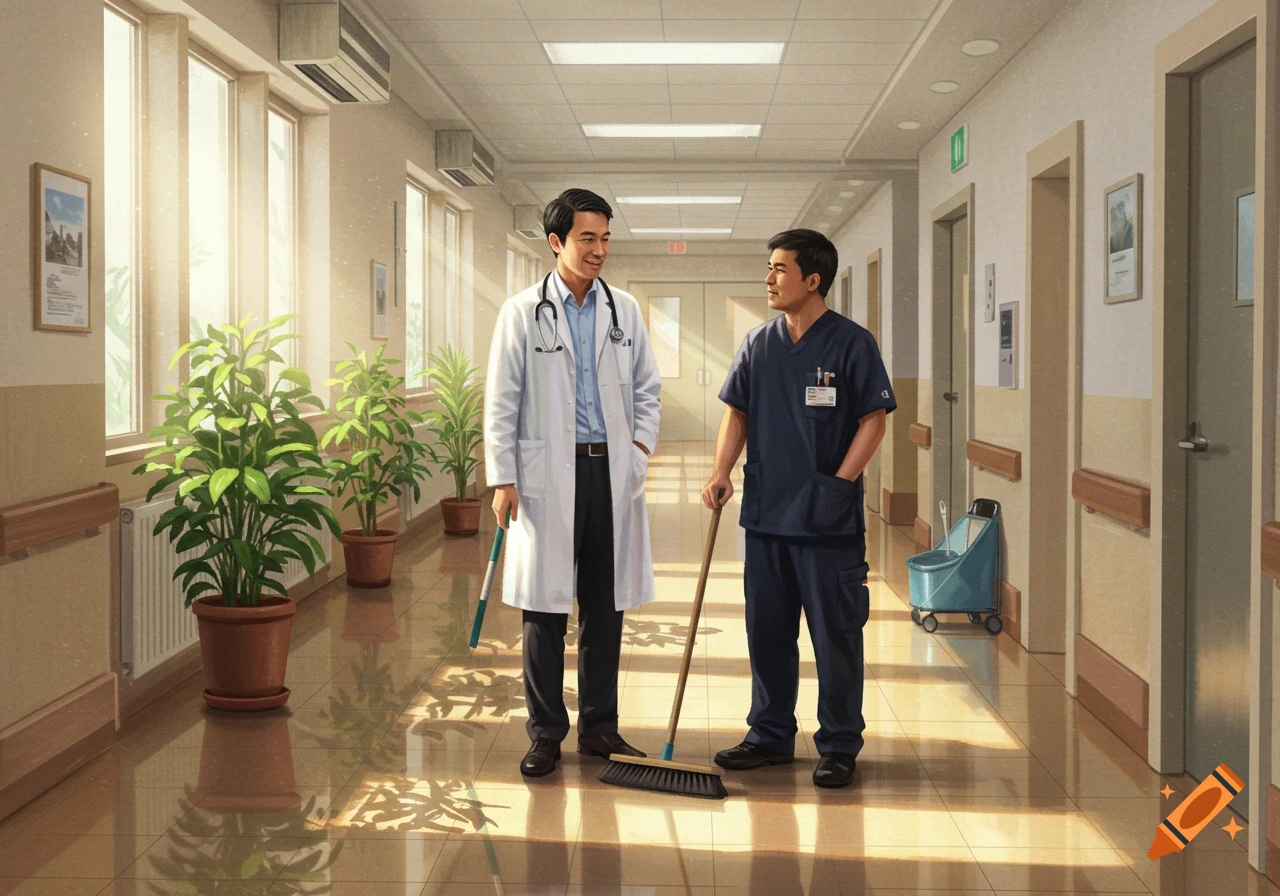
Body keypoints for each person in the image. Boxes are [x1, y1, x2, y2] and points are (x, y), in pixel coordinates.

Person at [700, 229, 894, 789]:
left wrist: (839, 484)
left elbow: (874, 420)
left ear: (812, 280)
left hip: (826, 523)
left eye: (779, 269)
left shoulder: (852, 344)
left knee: (835, 635)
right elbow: (736, 412)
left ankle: (837, 744)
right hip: (766, 518)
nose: (769, 278)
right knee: (767, 631)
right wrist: (720, 471)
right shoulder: (759, 344)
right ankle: (769, 735)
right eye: (768, 267)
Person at [485, 188, 662, 777]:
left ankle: (600, 728)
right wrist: (503, 477)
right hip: (545, 476)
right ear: (557, 242)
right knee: (544, 608)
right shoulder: (521, 311)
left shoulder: (624, 310)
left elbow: (646, 389)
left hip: (610, 470)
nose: (599, 250)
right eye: (588, 238)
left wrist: (637, 450)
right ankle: (544, 734)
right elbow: (502, 399)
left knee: (604, 605)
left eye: (606, 238)